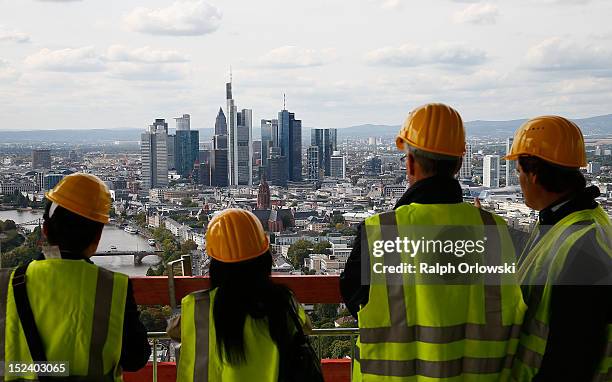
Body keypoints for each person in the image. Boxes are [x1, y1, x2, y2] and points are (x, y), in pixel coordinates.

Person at [340, 103, 526, 381]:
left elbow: (354, 299)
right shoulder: (496, 232)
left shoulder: (380, 231)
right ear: (460, 164)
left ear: (411, 163)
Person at [0, 172, 150, 381]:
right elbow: (136, 358)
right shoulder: (113, 288)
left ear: (44, 229)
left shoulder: (6, 283)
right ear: (97, 237)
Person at [505, 116, 612, 381]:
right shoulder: (571, 221)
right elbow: (541, 256)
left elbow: (573, 357)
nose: (519, 181)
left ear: (534, 174)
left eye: (518, 172)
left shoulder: (583, 248)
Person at [172, 208, 311, 382]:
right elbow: (305, 327)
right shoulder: (282, 302)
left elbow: (174, 330)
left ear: (215, 266)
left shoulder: (198, 307)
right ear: (264, 260)